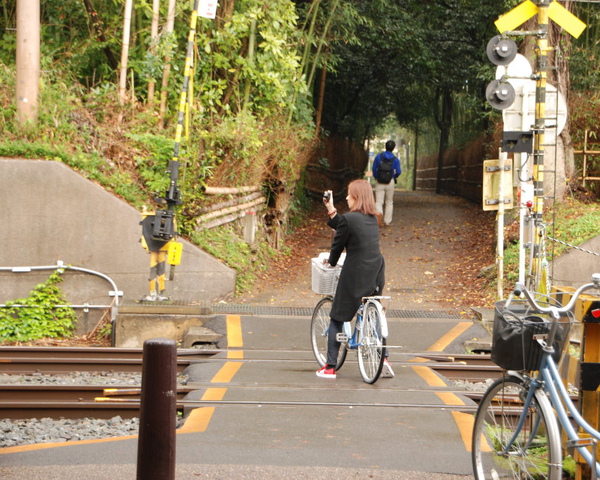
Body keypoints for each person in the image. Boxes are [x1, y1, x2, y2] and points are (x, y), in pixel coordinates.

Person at [317, 180, 394, 379]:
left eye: (350, 195)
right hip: (376, 271)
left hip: (356, 273)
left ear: (357, 197)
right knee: (374, 311)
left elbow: (339, 241)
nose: (347, 197)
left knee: (337, 316)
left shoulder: (349, 219)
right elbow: (347, 226)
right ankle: (383, 357)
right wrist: (331, 209)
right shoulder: (374, 217)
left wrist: (331, 261)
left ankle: (330, 367)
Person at [372, 140, 401, 226]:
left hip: (380, 181)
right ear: (393, 148)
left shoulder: (378, 157)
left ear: (385, 146)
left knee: (378, 201)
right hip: (390, 181)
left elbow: (374, 169)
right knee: (389, 202)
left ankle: (379, 214)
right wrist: (393, 176)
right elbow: (398, 171)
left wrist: (377, 177)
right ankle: (387, 221)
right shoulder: (395, 160)